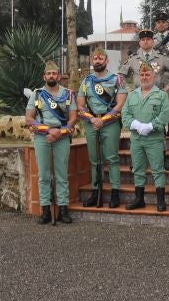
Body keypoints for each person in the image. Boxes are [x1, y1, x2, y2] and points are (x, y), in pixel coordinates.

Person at [25, 60, 77, 224]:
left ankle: (63, 209)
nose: (51, 76)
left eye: (54, 73)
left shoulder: (68, 94)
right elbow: (29, 118)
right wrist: (48, 130)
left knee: (62, 174)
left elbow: (73, 117)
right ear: (44, 76)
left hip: (61, 136)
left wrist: (59, 132)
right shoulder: (37, 94)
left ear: (59, 76)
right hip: (43, 137)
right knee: (44, 175)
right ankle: (45, 210)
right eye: (49, 73)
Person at [77, 47, 127, 209]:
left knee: (112, 159)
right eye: (95, 59)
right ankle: (95, 191)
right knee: (94, 160)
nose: (97, 61)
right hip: (92, 124)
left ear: (107, 61)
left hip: (110, 123)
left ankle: (115, 193)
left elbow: (119, 104)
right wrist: (92, 119)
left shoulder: (117, 79)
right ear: (92, 61)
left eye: (101, 58)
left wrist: (103, 120)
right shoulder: (86, 81)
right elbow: (80, 105)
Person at [118, 28, 169, 166]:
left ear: (153, 41)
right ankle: (137, 159)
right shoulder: (133, 59)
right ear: (139, 42)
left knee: (159, 127)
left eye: (148, 39)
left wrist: (168, 87)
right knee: (138, 125)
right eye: (143, 39)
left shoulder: (161, 57)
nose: (145, 41)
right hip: (139, 96)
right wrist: (128, 89)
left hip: (157, 96)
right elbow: (120, 75)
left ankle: (162, 157)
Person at [121, 62, 169, 211]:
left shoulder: (161, 95)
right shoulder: (132, 95)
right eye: (142, 74)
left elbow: (165, 115)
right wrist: (136, 125)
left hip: (154, 139)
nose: (144, 77)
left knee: (158, 170)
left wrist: (150, 126)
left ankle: (161, 201)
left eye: (147, 74)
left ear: (154, 76)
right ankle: (139, 199)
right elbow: (125, 115)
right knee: (138, 169)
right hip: (136, 139)